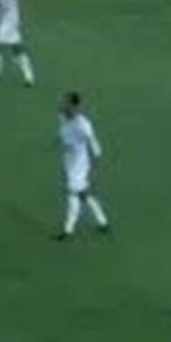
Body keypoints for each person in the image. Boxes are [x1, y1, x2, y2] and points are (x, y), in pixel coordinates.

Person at [57, 92, 110, 240]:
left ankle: (68, 229)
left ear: (75, 106)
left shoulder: (83, 125)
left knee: (72, 192)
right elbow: (64, 134)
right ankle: (102, 221)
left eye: (67, 103)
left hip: (79, 163)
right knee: (83, 194)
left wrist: (93, 170)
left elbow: (95, 147)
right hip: (68, 161)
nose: (63, 105)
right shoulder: (62, 117)